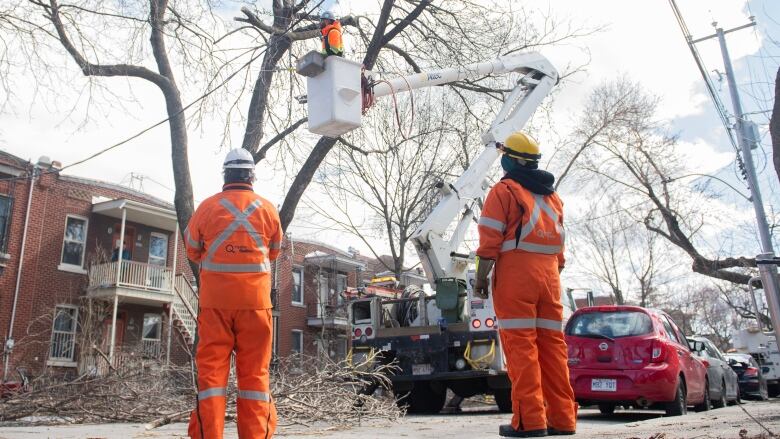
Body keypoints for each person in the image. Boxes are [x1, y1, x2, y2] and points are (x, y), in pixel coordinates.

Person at [473, 132, 577, 437]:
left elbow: (489, 242)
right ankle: (562, 419)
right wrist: (552, 275)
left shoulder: (504, 190)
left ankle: (529, 422)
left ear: (511, 160)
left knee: (522, 349)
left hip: (517, 277)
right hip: (550, 279)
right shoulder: (552, 197)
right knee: (553, 350)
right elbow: (559, 251)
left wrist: (481, 278)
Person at [186, 148, 283, 439]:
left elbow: (192, 248)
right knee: (254, 378)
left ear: (225, 175)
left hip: (215, 306)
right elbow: (274, 253)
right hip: (256, 306)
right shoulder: (268, 209)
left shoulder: (207, 208)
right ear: (252, 175)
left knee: (212, 379)